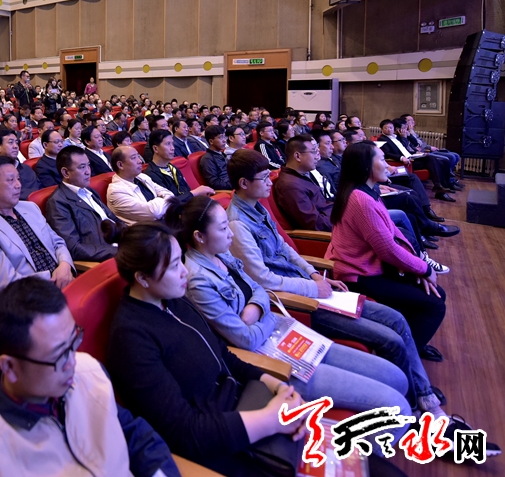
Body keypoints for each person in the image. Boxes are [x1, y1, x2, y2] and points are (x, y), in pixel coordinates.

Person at [225, 149, 456, 417]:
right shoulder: (237, 224)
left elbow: (286, 250)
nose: (269, 182)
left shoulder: (257, 208)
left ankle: (422, 394)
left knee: (397, 320)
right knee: (391, 339)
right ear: (244, 183)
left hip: (312, 286)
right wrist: (313, 286)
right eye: (264, 177)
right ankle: (419, 405)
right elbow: (261, 278)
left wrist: (314, 274)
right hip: (299, 302)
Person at [173, 195, 413, 446]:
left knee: (396, 377)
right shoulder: (198, 279)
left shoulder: (222, 256)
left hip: (286, 333)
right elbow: (246, 339)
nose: (230, 233)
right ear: (199, 236)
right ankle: (352, 453)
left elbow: (260, 290)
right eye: (223, 228)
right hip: (271, 358)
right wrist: (265, 311)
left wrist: (256, 310)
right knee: (397, 408)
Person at [107, 223, 308, 476]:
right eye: (174, 266)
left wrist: (278, 387)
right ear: (142, 278)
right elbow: (184, 432)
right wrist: (271, 420)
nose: (185, 271)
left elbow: (224, 356)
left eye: (181, 260)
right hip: (217, 444)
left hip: (248, 405)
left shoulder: (175, 301)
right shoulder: (131, 337)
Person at [0, 277, 180, 477]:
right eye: (58, 355)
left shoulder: (88, 371)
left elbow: (136, 436)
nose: (72, 362)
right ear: (10, 367)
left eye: (73, 341)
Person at [328, 141, 448, 361]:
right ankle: (402, 358)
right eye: (382, 160)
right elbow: (388, 250)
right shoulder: (361, 200)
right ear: (366, 166)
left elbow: (392, 232)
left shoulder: (367, 191)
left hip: (373, 267)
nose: (387, 165)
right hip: (358, 274)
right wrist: (424, 269)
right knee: (435, 304)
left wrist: (417, 265)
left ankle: (413, 342)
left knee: (431, 293)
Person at [0, 156, 74, 291]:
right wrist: (54, 277)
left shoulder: (30, 208)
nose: (18, 185)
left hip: (66, 279)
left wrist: (65, 265)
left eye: (18, 178)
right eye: (11, 180)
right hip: (34, 295)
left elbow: (57, 243)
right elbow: (4, 282)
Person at [44, 146, 125, 262]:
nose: (88, 171)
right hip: (107, 257)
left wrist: (133, 236)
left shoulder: (89, 191)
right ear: (66, 172)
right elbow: (75, 248)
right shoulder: (58, 202)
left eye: (88, 165)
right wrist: (118, 252)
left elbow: (113, 219)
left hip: (121, 245)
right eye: (82, 167)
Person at [379, 119, 456, 201]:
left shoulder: (397, 137)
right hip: (404, 162)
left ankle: (440, 187)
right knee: (433, 160)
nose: (389, 130)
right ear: (382, 129)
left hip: (411, 157)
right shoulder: (382, 139)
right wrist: (401, 158)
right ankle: (439, 188)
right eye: (386, 128)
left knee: (434, 159)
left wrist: (407, 137)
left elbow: (410, 145)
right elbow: (386, 153)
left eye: (391, 128)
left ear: (394, 129)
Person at [107, 145, 176, 225]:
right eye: (133, 158)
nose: (140, 161)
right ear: (120, 165)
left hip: (164, 223)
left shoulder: (142, 177)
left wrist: (157, 204)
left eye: (138, 156)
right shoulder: (116, 192)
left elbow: (170, 194)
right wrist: (162, 199)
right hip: (146, 230)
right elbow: (153, 213)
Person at [144, 129, 214, 200]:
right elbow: (169, 202)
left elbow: (186, 191)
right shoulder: (150, 175)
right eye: (168, 144)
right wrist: (195, 193)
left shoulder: (173, 168)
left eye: (172, 143)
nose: (172, 148)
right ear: (155, 149)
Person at [198, 125, 231, 190]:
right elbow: (214, 183)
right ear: (211, 141)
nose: (224, 140)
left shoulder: (222, 154)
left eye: (224, 137)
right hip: (227, 190)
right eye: (220, 137)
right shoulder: (207, 159)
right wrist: (235, 184)